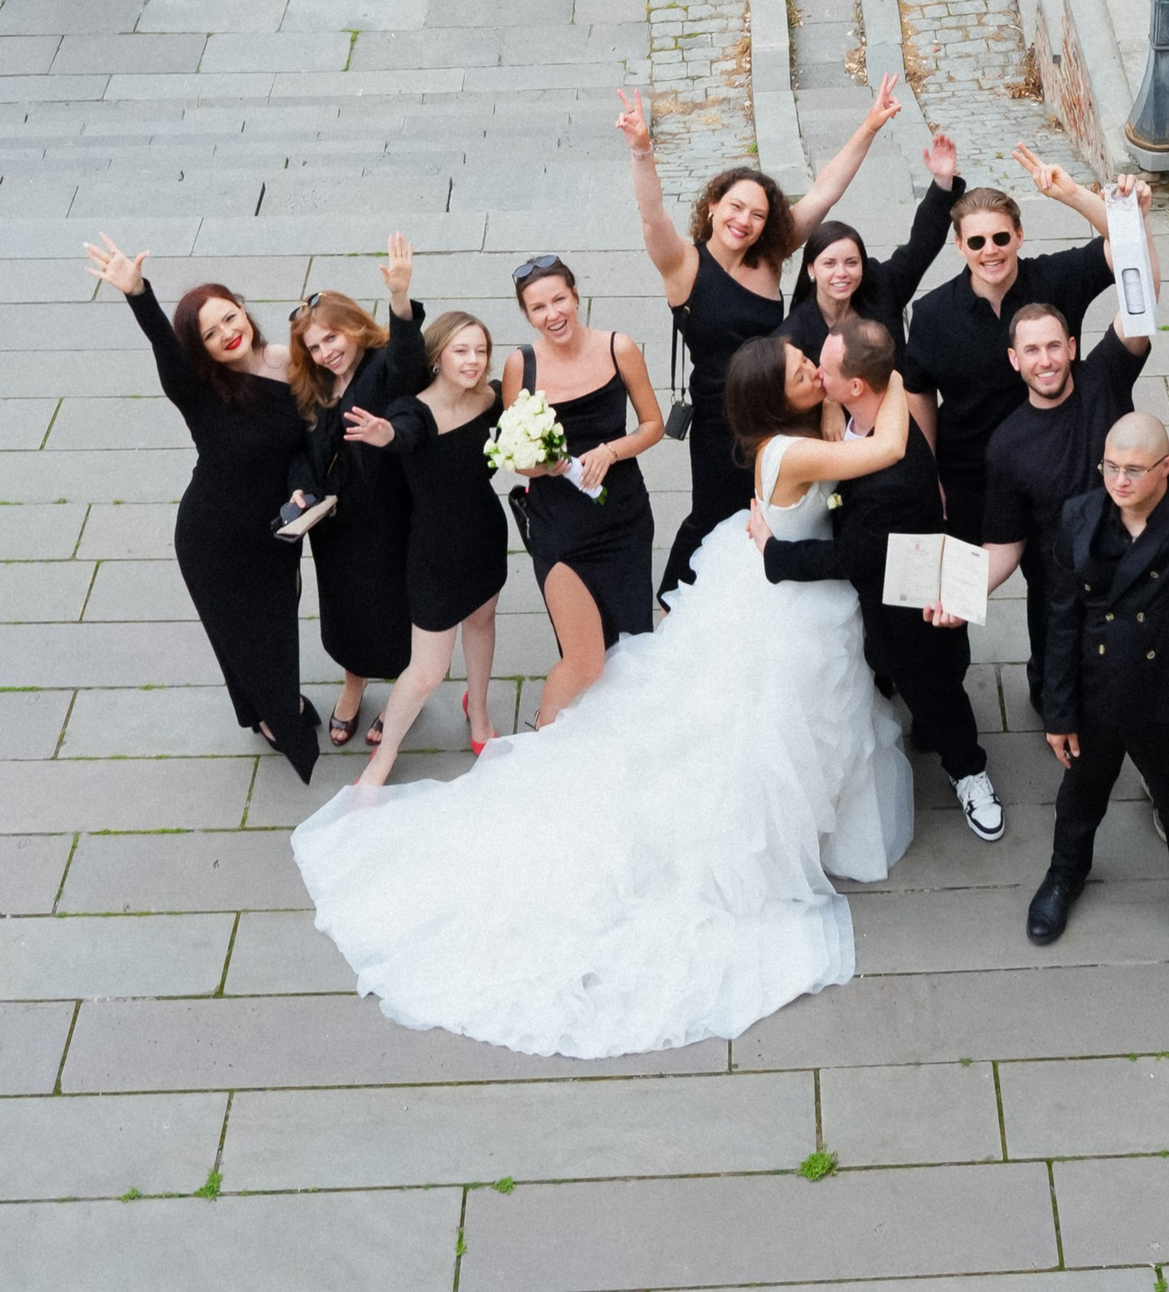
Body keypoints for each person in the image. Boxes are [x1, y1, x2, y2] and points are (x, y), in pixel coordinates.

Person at [290, 326, 916, 1057]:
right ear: (777, 397)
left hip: (778, 583)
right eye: (805, 368)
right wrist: (889, 373)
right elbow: (888, 447)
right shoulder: (796, 447)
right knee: (757, 730)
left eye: (813, 364)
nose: (815, 368)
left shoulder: (802, 429)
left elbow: (837, 438)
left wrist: (840, 390)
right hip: (780, 610)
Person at [617, 72, 904, 596]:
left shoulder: (769, 258)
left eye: (758, 213)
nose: (745, 221)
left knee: (782, 505)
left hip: (781, 403)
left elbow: (824, 192)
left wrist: (868, 126)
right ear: (712, 207)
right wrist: (642, 150)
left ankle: (761, 587)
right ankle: (674, 603)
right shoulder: (684, 265)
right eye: (735, 207)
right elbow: (652, 216)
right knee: (713, 510)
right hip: (720, 416)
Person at [754, 312, 1002, 841]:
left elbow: (850, 558)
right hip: (880, 572)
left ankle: (970, 772)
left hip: (902, 598)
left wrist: (775, 554)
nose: (817, 374)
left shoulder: (894, 481)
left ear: (857, 385)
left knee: (931, 687)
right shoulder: (870, 403)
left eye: (824, 368)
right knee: (879, 669)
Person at [1028, 411, 1169, 976]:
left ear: (1165, 467)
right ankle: (1064, 877)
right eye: (1110, 466)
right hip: (1097, 689)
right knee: (1079, 799)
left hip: (1167, 696)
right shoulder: (1079, 515)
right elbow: (1060, 620)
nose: (1119, 480)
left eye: (1134, 469)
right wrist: (1059, 712)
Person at [86, 235, 320, 782]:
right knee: (241, 633)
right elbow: (163, 346)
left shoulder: (290, 365)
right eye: (211, 334)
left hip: (276, 531)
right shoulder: (198, 389)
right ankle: (275, 717)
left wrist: (300, 487)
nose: (227, 334)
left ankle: (264, 705)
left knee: (277, 624)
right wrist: (138, 292)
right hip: (213, 537)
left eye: (230, 318)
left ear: (244, 311)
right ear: (203, 349)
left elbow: (307, 443)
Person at [902, 152, 1150, 538]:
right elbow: (918, 393)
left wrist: (1071, 195)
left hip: (1059, 468)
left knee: (1054, 588)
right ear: (960, 246)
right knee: (965, 587)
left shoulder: (1055, 277)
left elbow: (1128, 250)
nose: (991, 250)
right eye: (977, 241)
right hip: (971, 477)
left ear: (1019, 235)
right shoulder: (932, 314)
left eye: (1001, 237)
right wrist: (926, 472)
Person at [341, 310, 508, 786]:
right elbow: (403, 433)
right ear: (437, 356)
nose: (473, 360)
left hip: (485, 535)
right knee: (427, 671)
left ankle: (477, 710)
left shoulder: (490, 398)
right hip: (435, 553)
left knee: (482, 620)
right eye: (461, 350)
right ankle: (383, 758)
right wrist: (383, 435)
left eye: (480, 350)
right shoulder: (414, 409)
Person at [500, 255, 663, 725]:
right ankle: (550, 731)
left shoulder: (619, 348)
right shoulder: (521, 366)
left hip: (623, 520)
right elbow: (516, 459)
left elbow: (652, 426)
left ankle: (616, 728)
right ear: (527, 315)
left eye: (558, 299)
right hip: (558, 527)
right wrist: (543, 465)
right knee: (582, 654)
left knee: (631, 638)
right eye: (537, 307)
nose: (552, 314)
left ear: (575, 296)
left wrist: (611, 452)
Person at [280, 239, 428, 753]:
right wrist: (301, 488)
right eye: (315, 347)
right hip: (334, 527)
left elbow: (411, 365)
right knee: (343, 609)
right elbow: (301, 450)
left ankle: (403, 694)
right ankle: (354, 681)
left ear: (354, 326)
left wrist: (401, 300)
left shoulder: (383, 364)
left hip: (389, 520)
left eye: (332, 338)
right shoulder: (315, 388)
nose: (327, 353)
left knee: (393, 608)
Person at [977, 295, 1154, 710]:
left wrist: (1126, 229)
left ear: (1072, 347)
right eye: (1032, 350)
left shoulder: (1104, 376)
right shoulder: (1006, 446)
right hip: (1060, 591)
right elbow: (1005, 541)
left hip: (1131, 570)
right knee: (1058, 695)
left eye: (1054, 346)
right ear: (1014, 359)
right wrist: (958, 596)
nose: (1046, 360)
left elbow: (1140, 299)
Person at [781, 128, 962, 362]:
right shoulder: (794, 336)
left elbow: (922, 245)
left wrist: (942, 182)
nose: (842, 273)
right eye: (829, 263)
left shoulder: (881, 286)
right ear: (810, 269)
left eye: (851, 262)